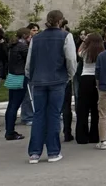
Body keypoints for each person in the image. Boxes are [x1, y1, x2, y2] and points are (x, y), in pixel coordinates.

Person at [25, 10, 77, 164]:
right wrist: (69, 75)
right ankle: (53, 152)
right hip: (57, 80)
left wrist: (31, 75)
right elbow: (71, 59)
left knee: (38, 115)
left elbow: (29, 61)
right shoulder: (66, 36)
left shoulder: (36, 38)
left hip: (39, 80)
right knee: (54, 115)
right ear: (60, 21)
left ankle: (34, 152)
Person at [74, 32, 103, 144]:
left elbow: (78, 52)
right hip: (97, 79)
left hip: (85, 78)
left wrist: (84, 41)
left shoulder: (85, 52)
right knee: (96, 109)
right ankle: (94, 136)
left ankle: (81, 136)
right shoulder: (102, 53)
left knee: (83, 109)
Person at [2, 28, 30, 141]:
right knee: (15, 105)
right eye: (28, 36)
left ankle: (9, 130)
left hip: (12, 75)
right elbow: (29, 61)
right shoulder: (23, 47)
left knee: (11, 104)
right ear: (24, 36)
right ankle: (10, 132)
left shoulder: (12, 46)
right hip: (21, 76)